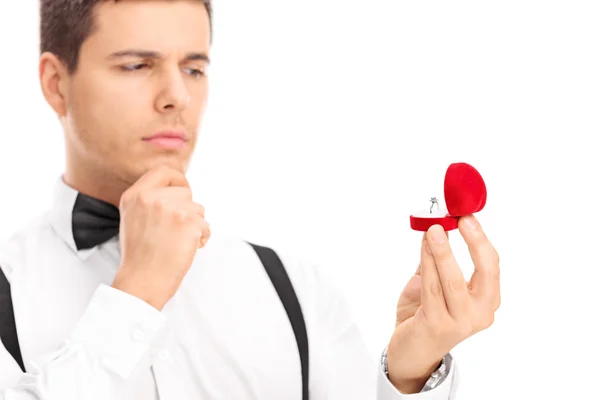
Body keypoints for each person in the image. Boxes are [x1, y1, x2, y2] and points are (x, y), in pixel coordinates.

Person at [0, 1, 500, 399]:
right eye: (136, 65)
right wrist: (135, 295)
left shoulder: (293, 286)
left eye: (194, 68)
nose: (177, 95)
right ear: (55, 83)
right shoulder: (9, 290)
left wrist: (410, 376)